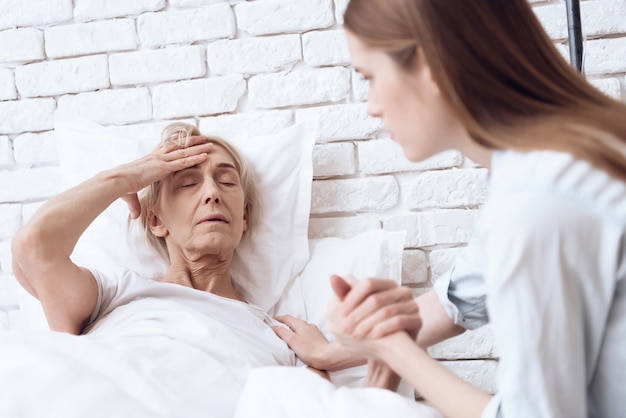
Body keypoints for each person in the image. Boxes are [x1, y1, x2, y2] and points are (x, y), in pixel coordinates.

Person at [271, 1, 626, 417]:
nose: (370, 106)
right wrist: (353, 344)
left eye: (369, 77)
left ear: (429, 64)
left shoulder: (536, 201)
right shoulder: (564, 154)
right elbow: (468, 292)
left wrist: (396, 352)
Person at [8, 122, 303, 417]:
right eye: (188, 184)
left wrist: (327, 363)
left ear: (244, 216)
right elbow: (33, 245)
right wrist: (123, 179)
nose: (212, 193)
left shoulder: (279, 339)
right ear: (156, 220)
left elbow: (313, 405)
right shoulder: (114, 295)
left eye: (226, 181)